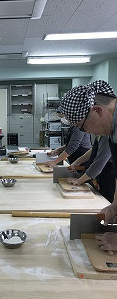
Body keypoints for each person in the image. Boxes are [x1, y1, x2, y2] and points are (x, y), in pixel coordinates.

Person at [59, 79, 117, 251]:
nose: (87, 133)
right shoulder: (112, 133)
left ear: (97, 111)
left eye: (82, 128)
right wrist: (115, 205)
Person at [68, 135, 115, 203]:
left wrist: (79, 180)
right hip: (101, 176)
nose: (86, 132)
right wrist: (78, 162)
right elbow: (94, 150)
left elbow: (98, 164)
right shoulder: (101, 135)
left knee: (105, 204)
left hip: (109, 178)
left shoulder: (107, 136)